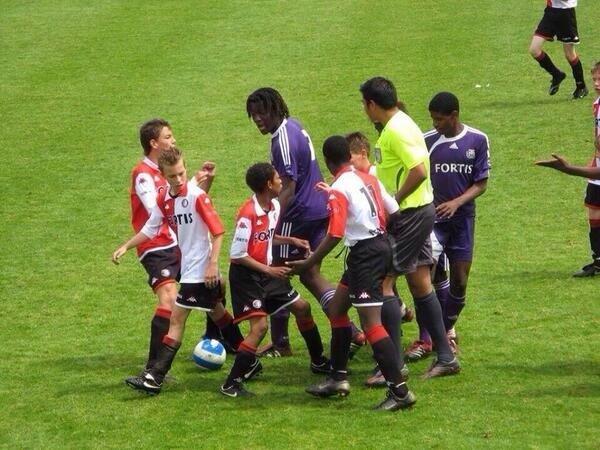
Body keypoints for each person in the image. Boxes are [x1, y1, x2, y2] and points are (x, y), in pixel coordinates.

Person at [288, 136, 416, 411]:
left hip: (365, 255)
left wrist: (310, 262)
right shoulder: (367, 178)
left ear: (328, 161)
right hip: (375, 248)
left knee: (371, 324)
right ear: (348, 155)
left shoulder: (339, 188)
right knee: (336, 309)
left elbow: (334, 233)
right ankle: (338, 378)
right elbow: (394, 212)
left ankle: (400, 392)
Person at [114, 147, 244, 394]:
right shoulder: (164, 198)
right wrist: (126, 246)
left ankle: (154, 377)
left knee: (176, 319)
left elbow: (217, 232)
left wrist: (212, 264)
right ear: (163, 176)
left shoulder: (197, 196)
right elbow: (151, 228)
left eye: (182, 173)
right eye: (173, 176)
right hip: (192, 267)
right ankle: (249, 360)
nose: (179, 179)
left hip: (200, 271)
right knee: (217, 312)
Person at [246, 87, 365, 357]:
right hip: (318, 208)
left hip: (298, 214)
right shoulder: (294, 126)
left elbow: (287, 186)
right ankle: (353, 332)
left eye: (262, 112)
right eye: (253, 115)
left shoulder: (282, 140)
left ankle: (282, 342)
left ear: (276, 108)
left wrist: (272, 221)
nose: (258, 119)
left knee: (274, 269)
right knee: (310, 274)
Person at [359, 76, 460, 378]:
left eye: (365, 105)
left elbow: (418, 170)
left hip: (410, 215)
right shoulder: (400, 123)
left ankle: (393, 365)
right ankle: (446, 357)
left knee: (384, 285)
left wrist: (392, 201)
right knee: (420, 283)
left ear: (372, 104)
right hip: (419, 211)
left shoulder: (397, 130)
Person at [221, 162, 329, 397]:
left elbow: (266, 236)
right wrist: (269, 271)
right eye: (278, 178)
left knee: (302, 308)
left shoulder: (274, 207)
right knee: (259, 328)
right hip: (247, 276)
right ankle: (231, 384)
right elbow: (238, 254)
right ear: (268, 184)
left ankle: (318, 361)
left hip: (266, 272)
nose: (282, 181)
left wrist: (291, 241)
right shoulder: (247, 215)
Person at [127, 119, 221, 376]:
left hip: (179, 242)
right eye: (168, 136)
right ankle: (154, 368)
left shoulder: (166, 170)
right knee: (169, 301)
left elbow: (187, 203)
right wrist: (189, 182)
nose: (173, 140)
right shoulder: (143, 175)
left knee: (214, 288)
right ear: (154, 143)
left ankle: (225, 342)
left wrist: (202, 183)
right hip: (156, 246)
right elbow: (156, 210)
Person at [404, 92, 490, 359]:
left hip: (463, 222)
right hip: (433, 222)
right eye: (432, 119)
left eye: (439, 119)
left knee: (460, 282)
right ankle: (425, 339)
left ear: (454, 115)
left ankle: (446, 330)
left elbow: (481, 183)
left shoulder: (477, 139)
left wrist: (457, 202)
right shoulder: (427, 142)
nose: (435, 124)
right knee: (425, 279)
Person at [345, 131, 414, 387]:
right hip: (385, 242)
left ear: (362, 153)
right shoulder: (360, 177)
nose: (348, 167)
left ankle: (393, 365)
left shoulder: (370, 178)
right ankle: (390, 360)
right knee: (386, 295)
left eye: (350, 159)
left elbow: (390, 211)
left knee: (384, 295)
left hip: (382, 243)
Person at [536, 135, 600, 276]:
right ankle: (598, 261)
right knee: (595, 215)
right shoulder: (596, 111)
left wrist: (568, 169)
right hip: (596, 173)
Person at [528, 0, 587, 99]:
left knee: (569, 54)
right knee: (534, 49)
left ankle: (581, 87)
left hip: (566, 14)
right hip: (550, 13)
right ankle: (557, 74)